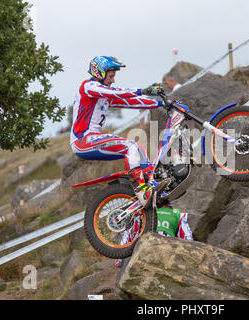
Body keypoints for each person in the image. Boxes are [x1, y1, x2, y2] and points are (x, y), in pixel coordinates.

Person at [70, 56, 164, 206]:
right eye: (111, 76)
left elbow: (129, 102)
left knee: (138, 148)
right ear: (100, 73)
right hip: (82, 140)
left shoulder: (102, 94)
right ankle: (141, 190)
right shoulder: (89, 87)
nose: (113, 80)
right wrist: (143, 90)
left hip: (93, 138)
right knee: (130, 147)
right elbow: (117, 92)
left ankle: (150, 183)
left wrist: (161, 103)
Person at [115, 202, 193, 268]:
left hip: (144, 252)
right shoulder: (178, 213)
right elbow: (187, 238)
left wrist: (119, 258)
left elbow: (129, 236)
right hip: (168, 253)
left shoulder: (141, 214)